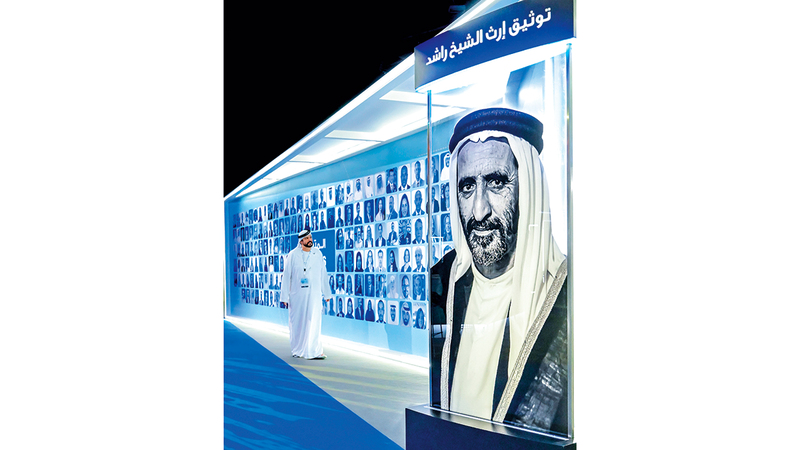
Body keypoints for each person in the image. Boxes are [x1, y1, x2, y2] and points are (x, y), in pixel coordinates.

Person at [429, 108, 569, 434]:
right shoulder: (441, 282)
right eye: (467, 187)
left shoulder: (566, 295)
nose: (479, 211)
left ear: (528, 189)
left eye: (496, 183)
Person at [281, 229, 332, 360]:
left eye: (310, 237)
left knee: (314, 321)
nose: (310, 240)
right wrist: (284, 296)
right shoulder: (293, 255)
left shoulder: (317, 253)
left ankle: (314, 351)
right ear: (301, 241)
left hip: (314, 294)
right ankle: (297, 349)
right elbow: (286, 276)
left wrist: (327, 293)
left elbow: (323, 274)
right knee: (297, 322)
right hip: (297, 295)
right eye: (307, 238)